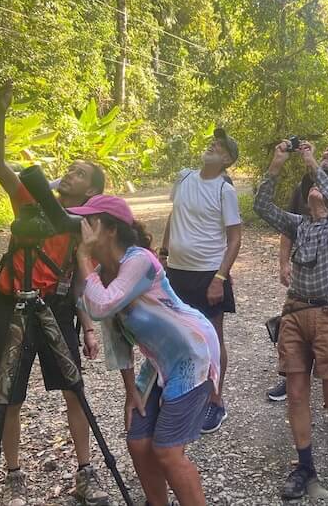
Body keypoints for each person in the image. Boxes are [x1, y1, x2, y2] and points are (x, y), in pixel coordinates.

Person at [0, 82, 109, 506]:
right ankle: (14, 478)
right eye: (69, 168)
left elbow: (77, 278)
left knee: (75, 391)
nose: (68, 174)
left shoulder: (83, 223)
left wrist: (89, 326)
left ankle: (86, 473)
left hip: (56, 308)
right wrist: (0, 113)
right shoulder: (30, 202)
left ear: (90, 191)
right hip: (12, 305)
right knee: (9, 395)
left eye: (78, 173)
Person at [72, 195, 220, 506]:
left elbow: (101, 305)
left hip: (193, 353)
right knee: (138, 442)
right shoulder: (103, 273)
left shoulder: (139, 260)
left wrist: (83, 258)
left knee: (166, 451)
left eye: (89, 222)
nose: (81, 229)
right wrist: (130, 391)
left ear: (111, 230)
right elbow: (115, 337)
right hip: (160, 362)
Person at [254, 141, 328, 501]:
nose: (317, 188)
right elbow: (260, 207)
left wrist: (313, 161)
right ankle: (305, 466)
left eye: (324, 184)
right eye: (313, 184)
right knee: (297, 395)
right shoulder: (299, 225)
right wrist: (276, 164)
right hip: (296, 314)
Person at [266, 141, 328, 402]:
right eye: (327, 150)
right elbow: (289, 226)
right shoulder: (305, 189)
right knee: (295, 326)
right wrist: (283, 262)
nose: (327, 153)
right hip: (303, 282)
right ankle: (292, 379)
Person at [158, 127, 241, 434]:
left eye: (220, 147)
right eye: (212, 142)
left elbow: (234, 239)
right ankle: (181, 394)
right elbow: (173, 215)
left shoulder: (225, 190)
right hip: (177, 271)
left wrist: (220, 277)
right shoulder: (183, 177)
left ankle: (215, 402)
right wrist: (164, 253)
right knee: (177, 333)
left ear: (228, 159)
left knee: (211, 336)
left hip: (208, 273)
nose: (212, 147)